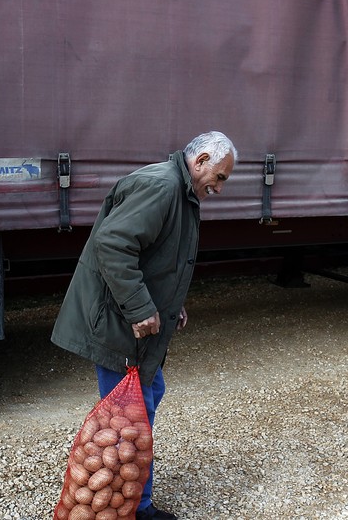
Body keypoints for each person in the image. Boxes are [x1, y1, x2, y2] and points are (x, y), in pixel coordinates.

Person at [51, 131, 238, 520]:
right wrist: (139, 309)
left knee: (143, 401)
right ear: (201, 159)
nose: (219, 188)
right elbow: (114, 245)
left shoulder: (179, 190)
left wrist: (172, 305)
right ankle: (136, 506)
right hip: (119, 320)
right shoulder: (163, 187)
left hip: (130, 318)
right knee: (131, 417)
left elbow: (157, 257)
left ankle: (130, 499)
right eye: (219, 177)